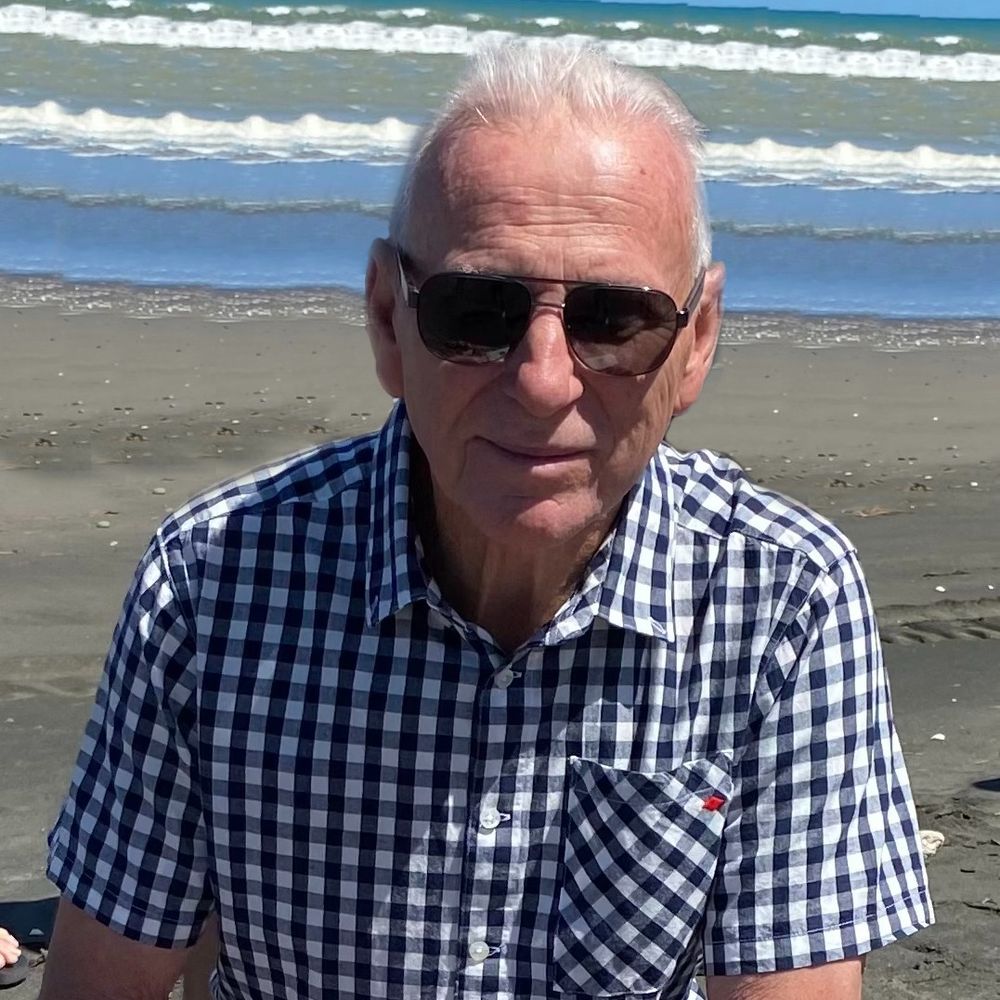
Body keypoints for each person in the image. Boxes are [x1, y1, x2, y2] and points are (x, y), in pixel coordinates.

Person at [39, 42, 932, 1000]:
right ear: (387, 318)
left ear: (697, 340)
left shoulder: (780, 602)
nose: (544, 381)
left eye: (612, 320)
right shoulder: (213, 581)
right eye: (478, 312)